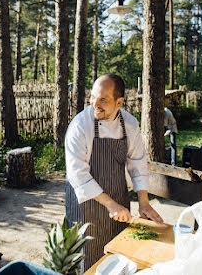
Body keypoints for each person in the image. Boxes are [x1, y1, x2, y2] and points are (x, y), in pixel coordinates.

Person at [64, 73, 164, 272]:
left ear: (119, 102)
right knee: (88, 257)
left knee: (119, 253)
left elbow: (137, 163)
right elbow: (78, 174)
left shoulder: (130, 124)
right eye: (93, 97)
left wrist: (143, 202)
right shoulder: (79, 125)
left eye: (103, 99)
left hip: (118, 196)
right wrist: (110, 204)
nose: (95, 104)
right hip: (86, 202)